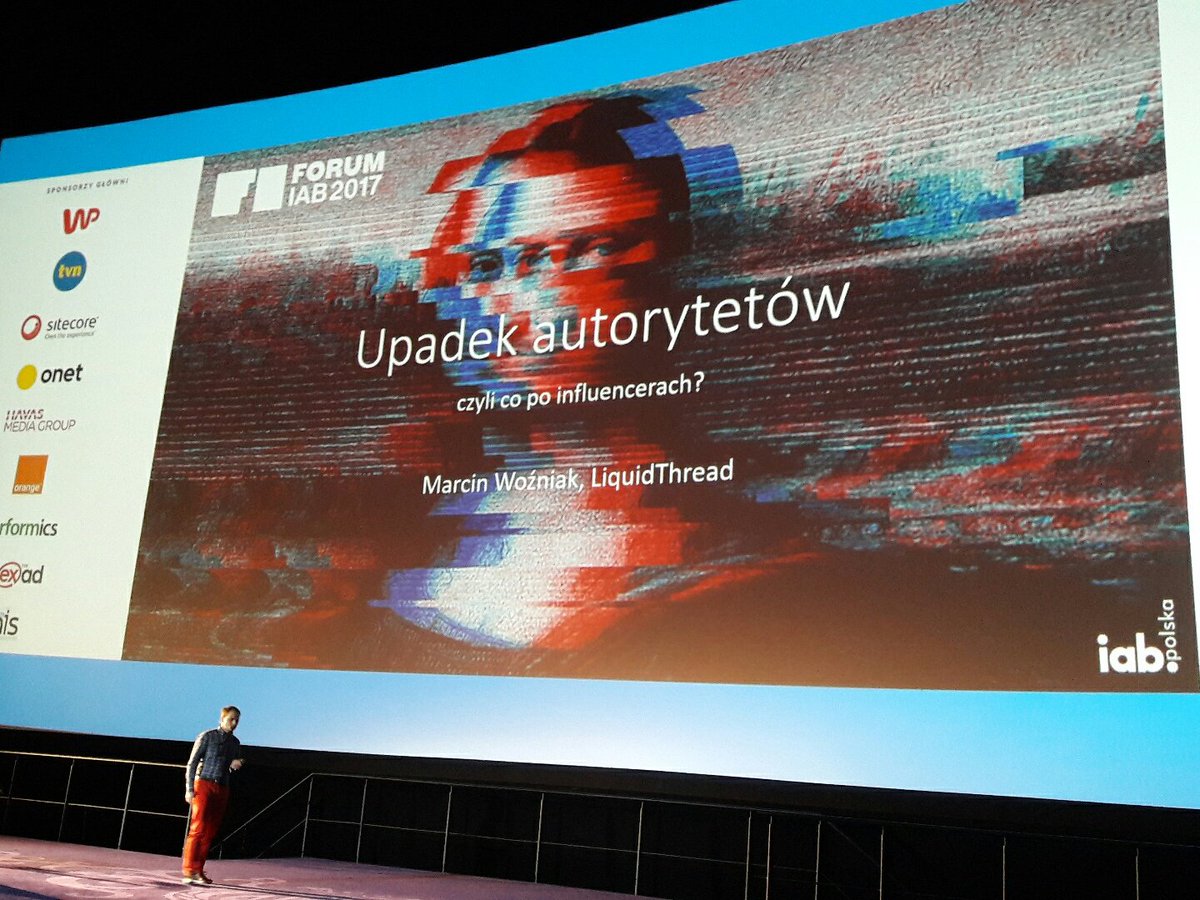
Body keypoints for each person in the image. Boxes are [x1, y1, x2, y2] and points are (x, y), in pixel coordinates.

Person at [181, 705, 244, 885]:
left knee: (210, 830)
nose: (234, 723)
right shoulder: (207, 736)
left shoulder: (235, 742)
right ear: (222, 719)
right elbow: (192, 763)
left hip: (222, 787)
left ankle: (198, 870)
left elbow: (238, 759)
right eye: (231, 719)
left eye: (237, 720)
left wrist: (238, 762)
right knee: (198, 827)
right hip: (204, 784)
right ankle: (189, 870)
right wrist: (189, 789)